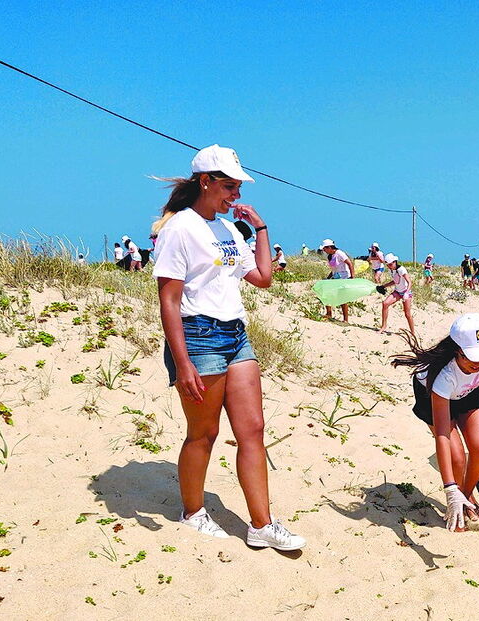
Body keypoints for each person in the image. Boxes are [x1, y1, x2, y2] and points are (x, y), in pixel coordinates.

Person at [151, 143, 304, 551]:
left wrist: (261, 229)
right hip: (198, 336)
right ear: (206, 182)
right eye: (230, 187)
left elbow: (263, 278)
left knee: (253, 429)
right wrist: (182, 363)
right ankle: (192, 511)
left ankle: (261, 524)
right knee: (204, 432)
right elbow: (168, 300)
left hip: (236, 335)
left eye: (238, 187)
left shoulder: (228, 229)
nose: (236, 195)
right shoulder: (179, 229)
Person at [391, 313, 479, 531]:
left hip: (468, 391)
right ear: (458, 350)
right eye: (473, 357)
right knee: (456, 456)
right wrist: (449, 488)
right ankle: (456, 501)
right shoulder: (443, 376)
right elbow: (442, 436)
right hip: (434, 397)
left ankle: (466, 494)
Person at [378, 253, 416, 335]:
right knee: (385, 303)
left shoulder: (402, 270)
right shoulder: (391, 270)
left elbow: (409, 282)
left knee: (407, 314)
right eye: (387, 265)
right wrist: (384, 286)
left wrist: (406, 293)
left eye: (390, 264)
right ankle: (383, 326)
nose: (389, 266)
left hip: (406, 292)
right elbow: (395, 281)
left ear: (395, 262)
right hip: (397, 292)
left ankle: (413, 332)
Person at [320, 239, 355, 322]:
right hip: (336, 277)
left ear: (329, 247)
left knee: (342, 298)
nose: (324, 251)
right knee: (326, 293)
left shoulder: (339, 253)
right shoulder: (330, 256)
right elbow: (334, 270)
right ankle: (329, 313)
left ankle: (345, 319)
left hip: (344, 278)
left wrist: (352, 276)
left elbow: (349, 263)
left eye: (325, 249)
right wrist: (328, 278)